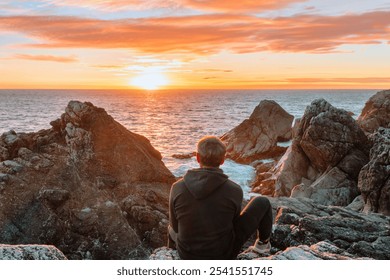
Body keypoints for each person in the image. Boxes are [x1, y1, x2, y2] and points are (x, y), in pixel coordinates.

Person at [168, 135, 273, 259]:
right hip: (224, 255)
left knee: (170, 228)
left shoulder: (177, 187)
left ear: (197, 158)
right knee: (262, 202)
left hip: (187, 255)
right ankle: (262, 245)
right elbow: (233, 225)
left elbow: (175, 226)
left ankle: (171, 256)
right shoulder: (234, 189)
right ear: (223, 160)